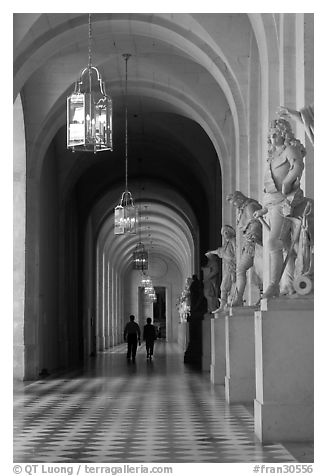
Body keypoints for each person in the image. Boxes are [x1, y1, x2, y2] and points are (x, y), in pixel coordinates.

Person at [253, 118, 306, 299]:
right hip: (273, 205)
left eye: (276, 134)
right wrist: (263, 209)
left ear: (284, 134)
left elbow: (298, 165)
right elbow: (270, 189)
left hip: (285, 203)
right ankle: (288, 284)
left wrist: (287, 182)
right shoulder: (272, 156)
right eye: (271, 135)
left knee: (273, 242)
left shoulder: (288, 150)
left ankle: (274, 285)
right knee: (285, 249)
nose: (272, 137)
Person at [226, 191, 263, 306]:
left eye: (235, 202)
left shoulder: (250, 207)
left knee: (241, 269)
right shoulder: (243, 209)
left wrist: (251, 241)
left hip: (253, 243)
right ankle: (241, 298)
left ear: (240, 198)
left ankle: (238, 299)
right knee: (255, 272)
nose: (235, 206)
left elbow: (256, 223)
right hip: (249, 242)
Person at [210, 225, 236, 312]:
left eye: (225, 232)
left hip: (233, 267)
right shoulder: (226, 245)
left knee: (225, 287)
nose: (224, 235)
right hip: (229, 268)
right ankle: (223, 306)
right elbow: (220, 251)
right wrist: (211, 252)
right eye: (223, 233)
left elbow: (237, 252)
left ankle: (224, 305)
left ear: (230, 232)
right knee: (224, 287)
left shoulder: (233, 241)